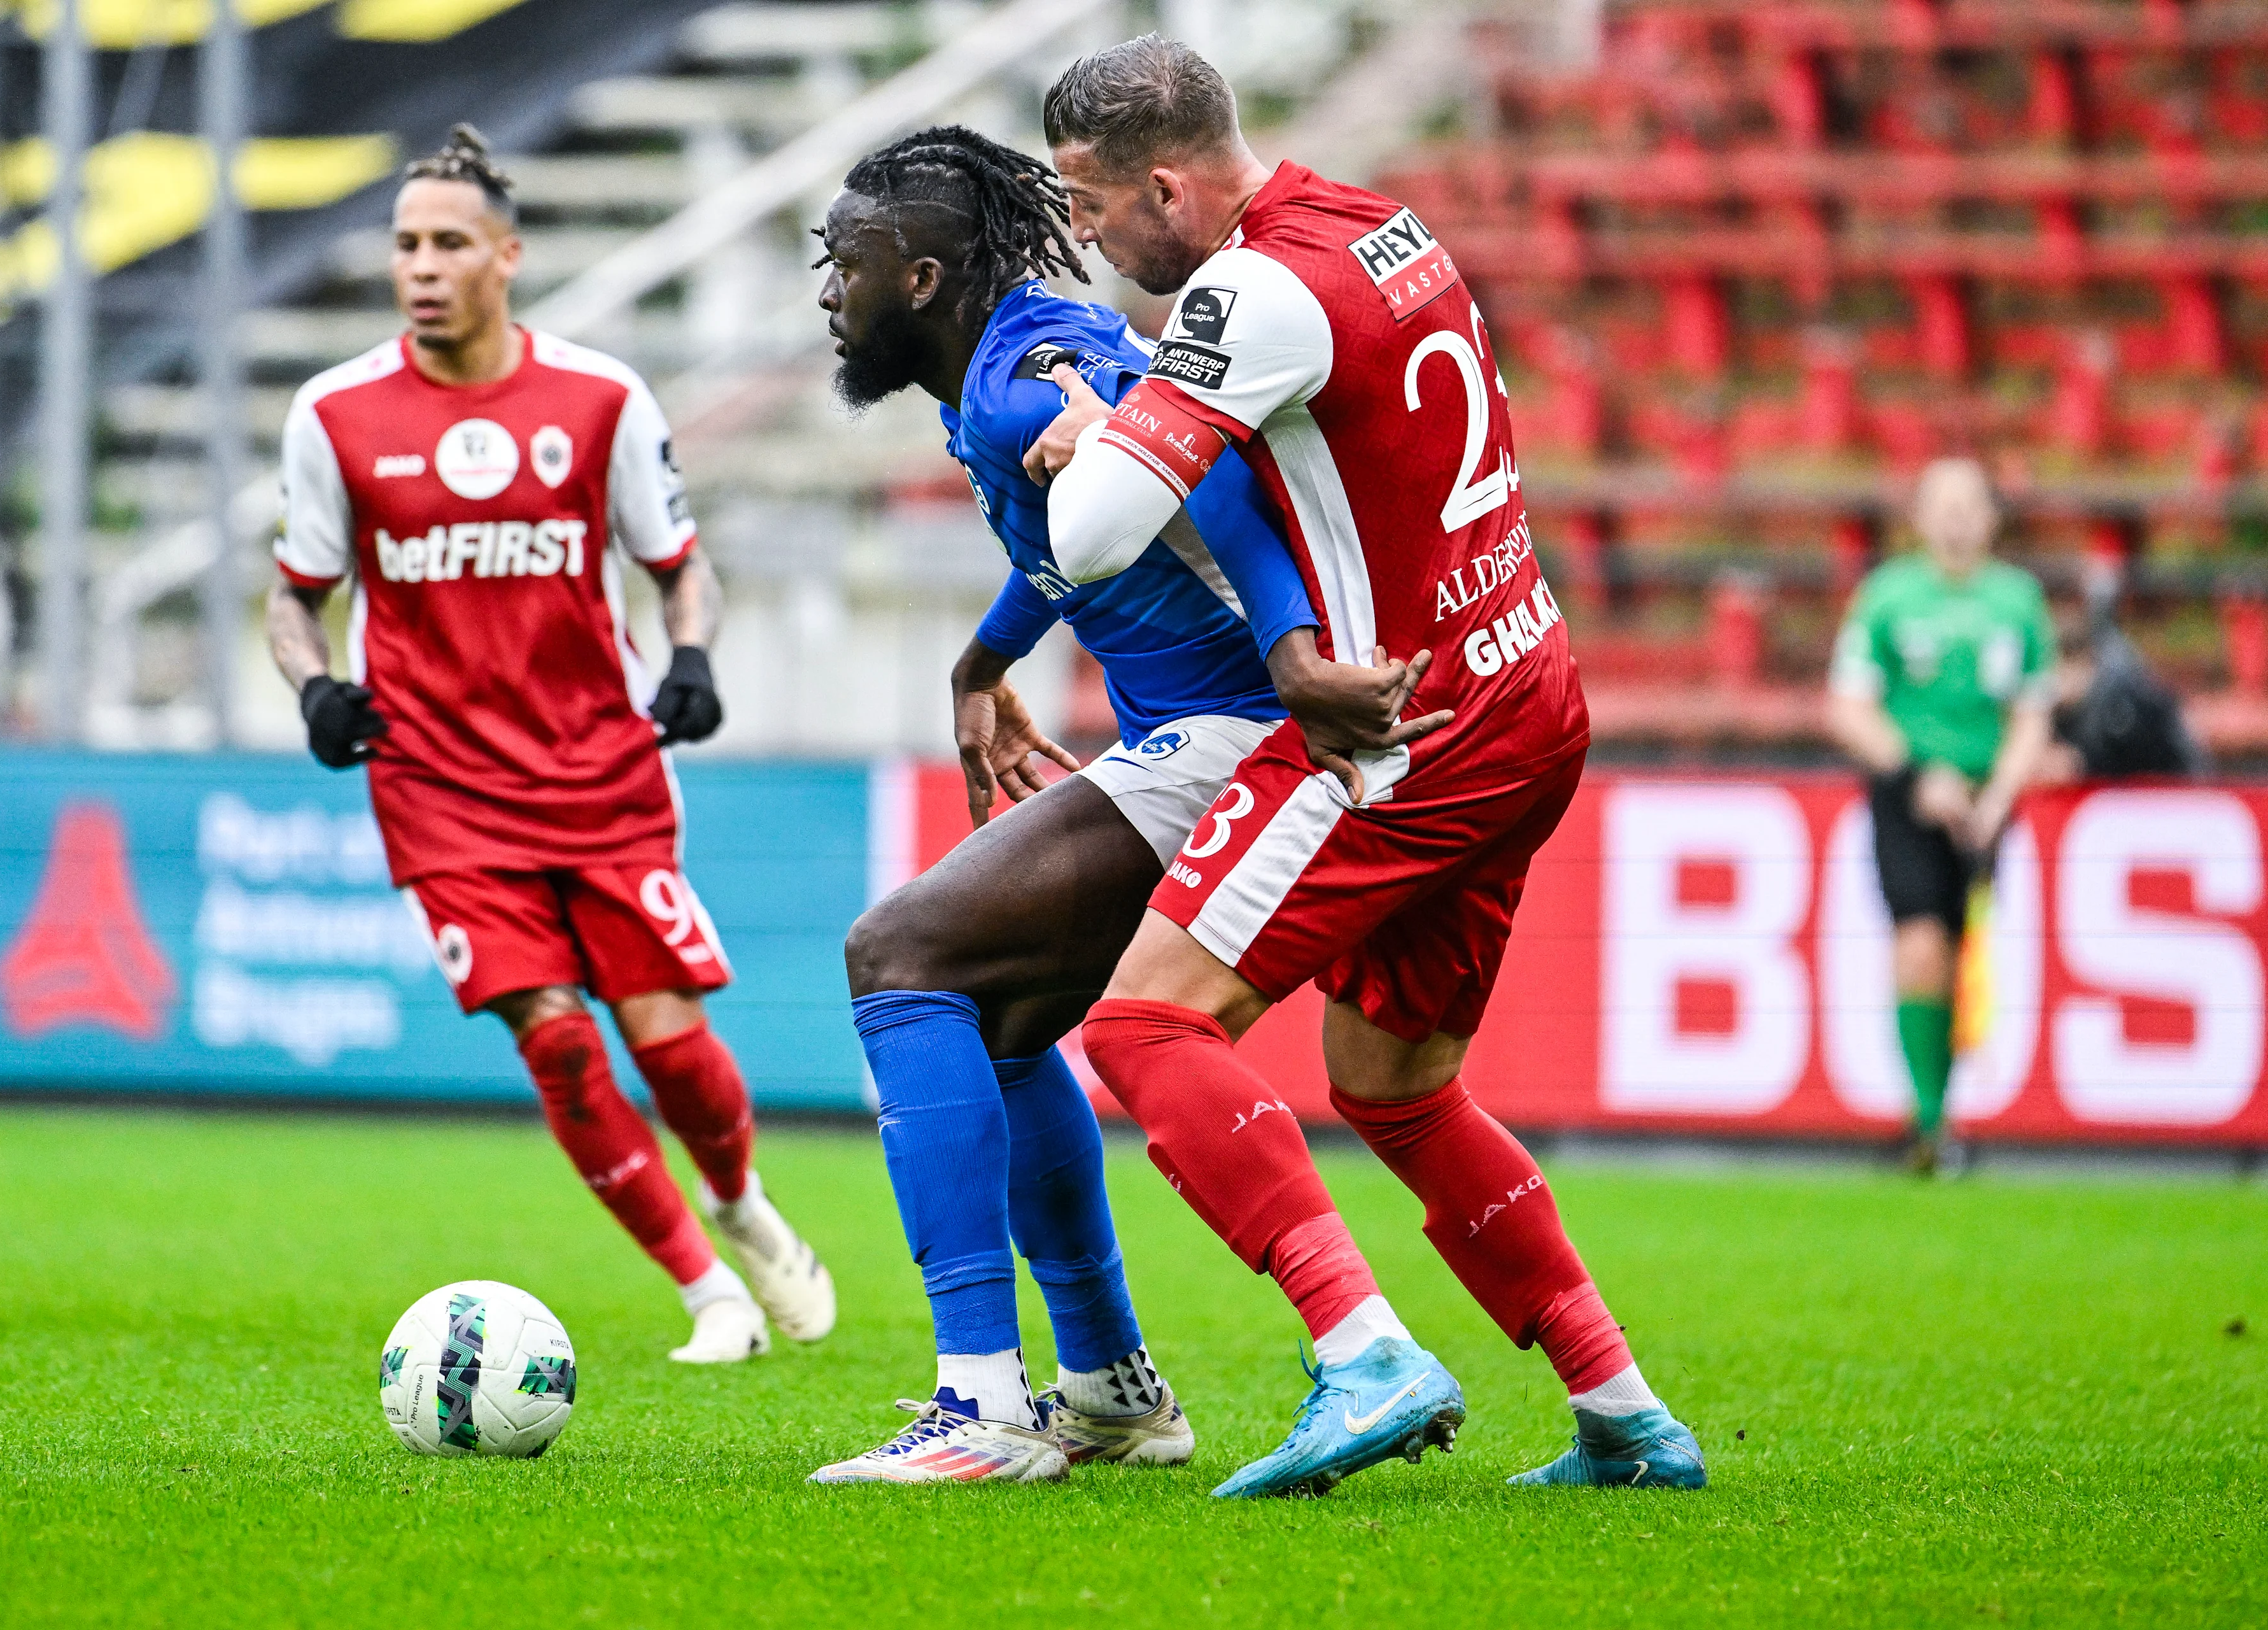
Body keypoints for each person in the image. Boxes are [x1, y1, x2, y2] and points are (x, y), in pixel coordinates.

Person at [1024, 36, 1707, 1498]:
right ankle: (1624, 1409)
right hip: (1527, 685)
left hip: (1406, 725)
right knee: (1391, 1083)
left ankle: (1360, 1349)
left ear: (1163, 183)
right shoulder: (1379, 224)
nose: (1085, 238)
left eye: (1089, 205)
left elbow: (1088, 533)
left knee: (1143, 1024)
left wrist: (1092, 432)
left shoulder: (1248, 288)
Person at [806, 125, 1383, 1485]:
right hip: (1210, 734)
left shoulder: (1027, 378)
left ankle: (981, 1406)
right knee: (1000, 1024)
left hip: (1236, 736)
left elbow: (1211, 470)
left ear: (928, 276)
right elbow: (1070, 537)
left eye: (849, 263)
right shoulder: (1006, 356)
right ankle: (1109, 1386)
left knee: (898, 955)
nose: (830, 290)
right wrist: (985, 658)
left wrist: (1297, 651)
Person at [265, 125, 834, 1363]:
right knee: (562, 1042)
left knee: (671, 1047)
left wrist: (689, 657)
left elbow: (682, 569)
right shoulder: (337, 415)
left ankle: (739, 1201)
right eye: (406, 244)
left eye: (448, 243)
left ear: (507, 256)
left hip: (602, 770)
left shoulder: (601, 398)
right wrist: (314, 688)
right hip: (438, 786)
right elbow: (293, 595)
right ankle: (707, 1291)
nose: (422, 266)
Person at [1828, 457, 2058, 1173]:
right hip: (1908, 794)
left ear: (1993, 517)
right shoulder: (1889, 597)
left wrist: (1999, 795)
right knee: (1920, 940)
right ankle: (1927, 1124)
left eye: (1970, 503)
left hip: (1986, 806)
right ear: (1919, 517)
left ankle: (1943, 1120)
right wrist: (1914, 772)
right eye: (1942, 503)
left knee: (1965, 954)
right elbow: (1847, 706)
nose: (1957, 516)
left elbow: (2032, 713)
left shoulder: (2018, 601)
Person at [2042, 595, 2204, 782]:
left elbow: (2162, 758)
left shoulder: (2131, 702)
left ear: (2085, 663)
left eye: (2062, 670)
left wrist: (2083, 761)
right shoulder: (2048, 707)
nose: (2055, 683)